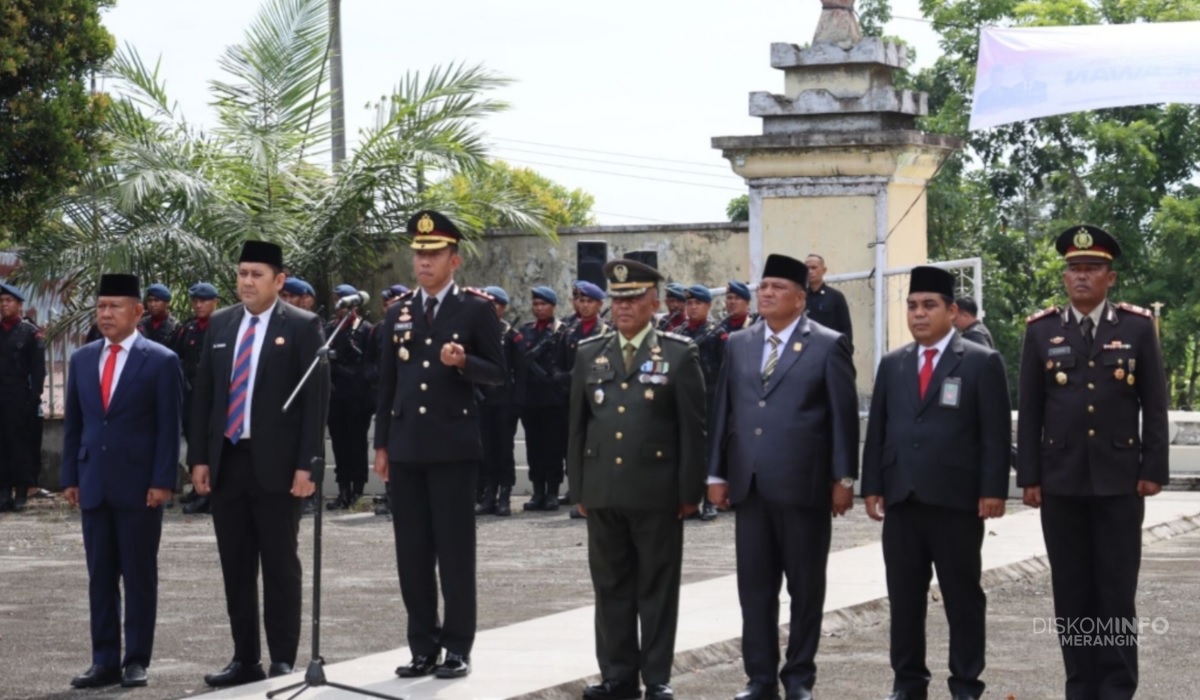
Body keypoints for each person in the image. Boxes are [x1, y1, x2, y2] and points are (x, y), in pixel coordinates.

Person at [1016, 225, 1169, 700]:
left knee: (1116, 590)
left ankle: (1117, 687)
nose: (1081, 277)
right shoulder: (1041, 331)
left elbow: (1154, 404)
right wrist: (1030, 477)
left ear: (1110, 277)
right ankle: (1081, 686)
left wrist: (1152, 470)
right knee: (1072, 592)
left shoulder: (1137, 327)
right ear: (1065, 278)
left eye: (1092, 269)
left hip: (1120, 482)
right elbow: (1032, 407)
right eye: (1074, 270)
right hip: (1061, 483)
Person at [707, 254, 859, 700]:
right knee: (755, 589)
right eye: (763, 285)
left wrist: (843, 480)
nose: (766, 292)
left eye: (777, 286)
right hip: (750, 485)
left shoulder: (828, 344)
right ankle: (759, 678)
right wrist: (716, 473)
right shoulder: (739, 343)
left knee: (805, 588)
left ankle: (798, 679)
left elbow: (842, 419)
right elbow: (725, 413)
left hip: (804, 486)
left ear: (800, 296)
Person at [861, 265, 1012, 700]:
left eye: (929, 305)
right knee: (904, 599)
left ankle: (966, 684)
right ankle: (908, 683)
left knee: (962, 598)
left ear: (951, 310)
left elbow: (995, 434)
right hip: (903, 499)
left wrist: (993, 490)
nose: (918, 314)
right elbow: (881, 430)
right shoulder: (894, 364)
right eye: (912, 306)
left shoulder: (981, 361)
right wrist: (873, 485)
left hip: (957, 503)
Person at [373, 210, 505, 680]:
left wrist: (464, 361)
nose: (423, 262)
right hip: (407, 447)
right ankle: (422, 646)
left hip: (452, 448)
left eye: (433, 254)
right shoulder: (398, 312)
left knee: (453, 552)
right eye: (419, 254)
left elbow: (498, 371)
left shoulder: (475, 309)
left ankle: (457, 647)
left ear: (455, 260)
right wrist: (382, 444)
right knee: (411, 552)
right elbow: (387, 384)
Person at [567, 258, 707, 700]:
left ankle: (657, 676)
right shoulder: (590, 352)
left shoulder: (680, 354)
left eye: (632, 298)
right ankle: (616, 675)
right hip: (603, 488)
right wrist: (580, 489)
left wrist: (689, 492)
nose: (623, 306)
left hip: (657, 490)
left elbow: (693, 429)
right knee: (610, 587)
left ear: (655, 302)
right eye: (617, 298)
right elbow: (577, 425)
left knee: (657, 588)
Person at [188, 241, 326, 687]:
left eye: (257, 274)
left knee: (281, 565)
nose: (247, 281)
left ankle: (283, 659)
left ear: (279, 280)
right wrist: (200, 458)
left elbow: (315, 403)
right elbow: (205, 395)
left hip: (279, 468)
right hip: (229, 462)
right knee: (236, 565)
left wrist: (308, 465)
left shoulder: (303, 326)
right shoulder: (222, 324)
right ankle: (245, 658)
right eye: (242, 273)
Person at [61, 274, 184, 689]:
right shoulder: (82, 359)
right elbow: (74, 426)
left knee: (138, 574)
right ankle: (103, 661)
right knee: (100, 575)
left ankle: (136, 660)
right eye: (100, 307)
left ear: (137, 311)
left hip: (140, 486)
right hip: (93, 481)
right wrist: (70, 477)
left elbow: (169, 427)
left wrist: (163, 480)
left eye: (115, 306)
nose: (106, 314)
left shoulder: (161, 360)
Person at [551, 280, 611, 518]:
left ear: (599, 304)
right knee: (575, 447)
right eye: (581, 301)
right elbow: (558, 363)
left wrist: (580, 377)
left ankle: (597, 496)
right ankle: (580, 495)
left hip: (597, 398)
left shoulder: (606, 333)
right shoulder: (568, 332)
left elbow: (606, 368)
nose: (584, 306)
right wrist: (563, 377)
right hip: (570, 399)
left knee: (596, 449)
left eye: (589, 301)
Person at [514, 285, 568, 511]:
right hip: (531, 399)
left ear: (553, 306)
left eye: (543, 304)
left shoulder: (562, 332)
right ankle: (538, 491)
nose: (539, 308)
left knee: (553, 446)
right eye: (535, 304)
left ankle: (553, 492)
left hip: (554, 399)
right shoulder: (525, 331)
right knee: (534, 446)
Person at [677, 284, 727, 522]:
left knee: (709, 451)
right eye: (689, 303)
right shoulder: (678, 333)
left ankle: (709, 501)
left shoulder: (718, 334)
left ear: (708, 305)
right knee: (686, 450)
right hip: (685, 399)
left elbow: (727, 370)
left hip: (711, 399)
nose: (692, 307)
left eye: (697, 303)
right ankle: (689, 501)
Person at [325, 283, 374, 510]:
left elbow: (369, 363)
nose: (340, 307)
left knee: (357, 443)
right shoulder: (331, 329)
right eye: (338, 301)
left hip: (357, 396)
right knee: (340, 444)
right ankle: (343, 489)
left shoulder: (365, 329)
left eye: (344, 302)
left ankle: (357, 490)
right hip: (336, 396)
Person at [174, 282, 220, 515]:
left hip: (217, 398)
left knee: (213, 446)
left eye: (203, 301)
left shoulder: (223, 327)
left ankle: (211, 495)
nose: (198, 305)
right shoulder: (188, 329)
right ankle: (198, 488)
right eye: (195, 301)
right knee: (195, 442)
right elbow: (177, 358)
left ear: (215, 302)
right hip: (193, 396)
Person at [0, 282, 46, 513]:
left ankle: (20, 492)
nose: (4, 305)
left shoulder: (29, 332)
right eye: (1, 301)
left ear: (19, 305)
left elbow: (38, 369)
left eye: (8, 301)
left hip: (19, 396)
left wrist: (34, 397)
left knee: (20, 445)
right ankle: (3, 491)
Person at [476, 286, 521, 517]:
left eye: (494, 304)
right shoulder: (478, 332)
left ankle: (505, 495)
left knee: (504, 449)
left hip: (505, 400)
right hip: (484, 400)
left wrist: (516, 401)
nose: (490, 308)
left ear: (502, 307)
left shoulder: (510, 335)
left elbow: (519, 370)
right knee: (487, 449)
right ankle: (489, 495)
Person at [804, 255, 852, 346]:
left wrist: (845, 351)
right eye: (807, 268)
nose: (810, 272)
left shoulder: (835, 296)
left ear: (824, 270)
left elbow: (845, 328)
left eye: (814, 268)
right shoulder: (800, 297)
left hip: (829, 349)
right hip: (806, 349)